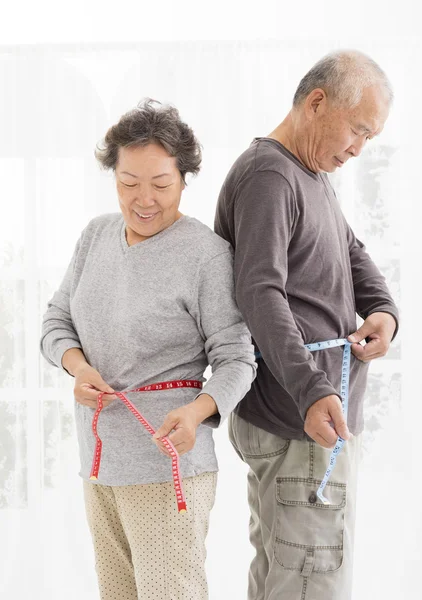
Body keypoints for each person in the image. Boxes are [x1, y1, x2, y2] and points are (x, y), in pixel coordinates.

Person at [40, 98, 257, 600]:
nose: (144, 199)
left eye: (161, 184)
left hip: (168, 464)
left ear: (184, 179)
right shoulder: (95, 236)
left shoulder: (205, 255)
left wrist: (199, 409)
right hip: (98, 460)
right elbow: (56, 321)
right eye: (128, 182)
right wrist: (77, 366)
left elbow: (237, 358)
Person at [214, 50, 399, 600]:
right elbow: (259, 292)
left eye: (372, 136)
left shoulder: (310, 172)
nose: (359, 149)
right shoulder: (271, 176)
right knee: (308, 582)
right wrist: (312, 389)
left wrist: (384, 310)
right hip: (301, 416)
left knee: (287, 573)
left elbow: (350, 251)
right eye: (357, 129)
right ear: (317, 102)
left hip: (312, 414)